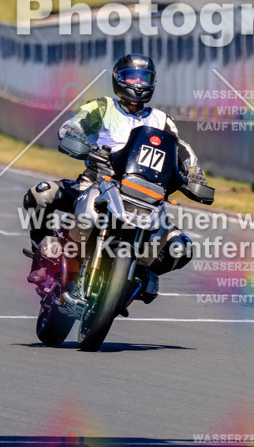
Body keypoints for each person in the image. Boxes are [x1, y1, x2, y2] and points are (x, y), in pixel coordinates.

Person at [23, 54, 212, 301]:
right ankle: (42, 256)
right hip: (96, 184)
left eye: (145, 78)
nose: (138, 84)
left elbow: (181, 148)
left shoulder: (162, 120)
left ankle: (142, 273)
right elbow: (76, 123)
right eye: (131, 77)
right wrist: (75, 135)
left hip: (147, 198)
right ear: (117, 79)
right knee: (41, 193)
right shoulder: (102, 106)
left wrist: (194, 173)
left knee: (180, 247)